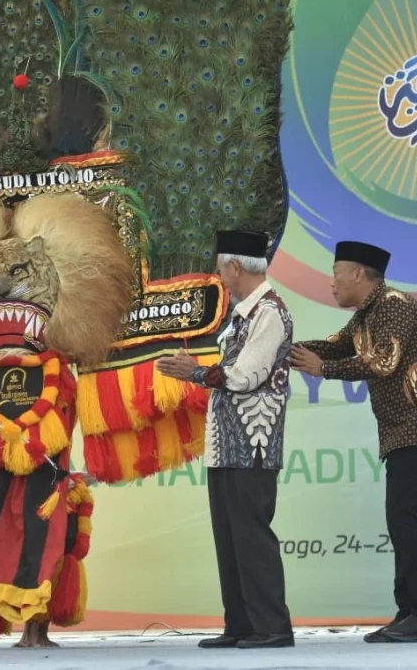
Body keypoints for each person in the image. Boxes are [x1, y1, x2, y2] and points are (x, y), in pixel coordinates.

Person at [291, 241, 417, 644]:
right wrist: (286, 350)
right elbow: (333, 345)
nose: (331, 282)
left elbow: (384, 361)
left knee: (404, 516)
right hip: (404, 429)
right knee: (401, 517)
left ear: (358, 273)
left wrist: (324, 370)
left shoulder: (394, 305)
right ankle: (411, 612)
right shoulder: (367, 314)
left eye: (336, 273)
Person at [157, 230, 295, 650]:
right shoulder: (243, 314)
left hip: (253, 443)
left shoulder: (269, 312)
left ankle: (272, 627)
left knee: (251, 535)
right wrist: (200, 371)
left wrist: (194, 372)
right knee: (230, 537)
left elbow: (245, 375)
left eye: (220, 268)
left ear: (235, 267)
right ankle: (241, 625)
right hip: (227, 444)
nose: (220, 276)